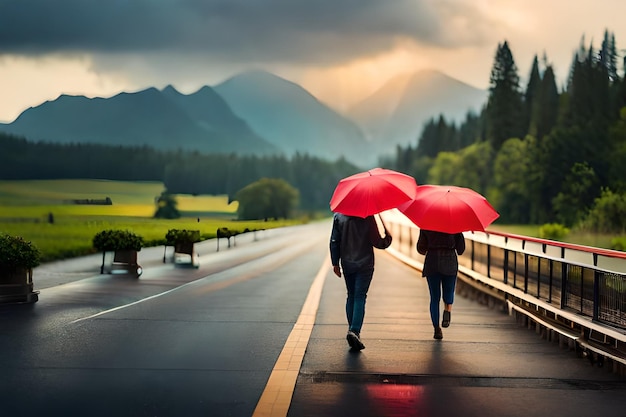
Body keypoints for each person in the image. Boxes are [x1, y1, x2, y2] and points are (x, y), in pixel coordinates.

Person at [330, 213, 392, 351]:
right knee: (360, 296)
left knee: (351, 295)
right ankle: (355, 331)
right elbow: (377, 242)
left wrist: (335, 263)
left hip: (347, 263)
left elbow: (334, 240)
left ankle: (352, 330)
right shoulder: (368, 216)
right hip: (365, 264)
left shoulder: (338, 217)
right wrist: (388, 237)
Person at [416, 229, 465, 340]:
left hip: (432, 263)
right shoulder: (455, 225)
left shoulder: (426, 225)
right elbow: (461, 250)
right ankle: (447, 311)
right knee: (449, 291)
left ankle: (437, 329)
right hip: (450, 262)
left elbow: (421, 249)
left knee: (434, 298)